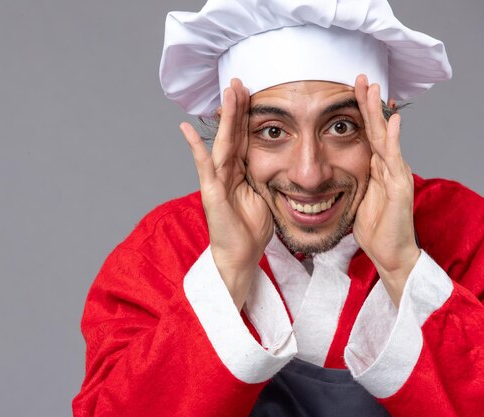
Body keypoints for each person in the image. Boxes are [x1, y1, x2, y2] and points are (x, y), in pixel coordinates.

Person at [72, 0, 484, 416]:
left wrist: (402, 268)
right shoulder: (164, 248)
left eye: (341, 127)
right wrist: (228, 270)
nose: (309, 173)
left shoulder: (465, 232)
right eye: (272, 131)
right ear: (232, 135)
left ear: (383, 124)